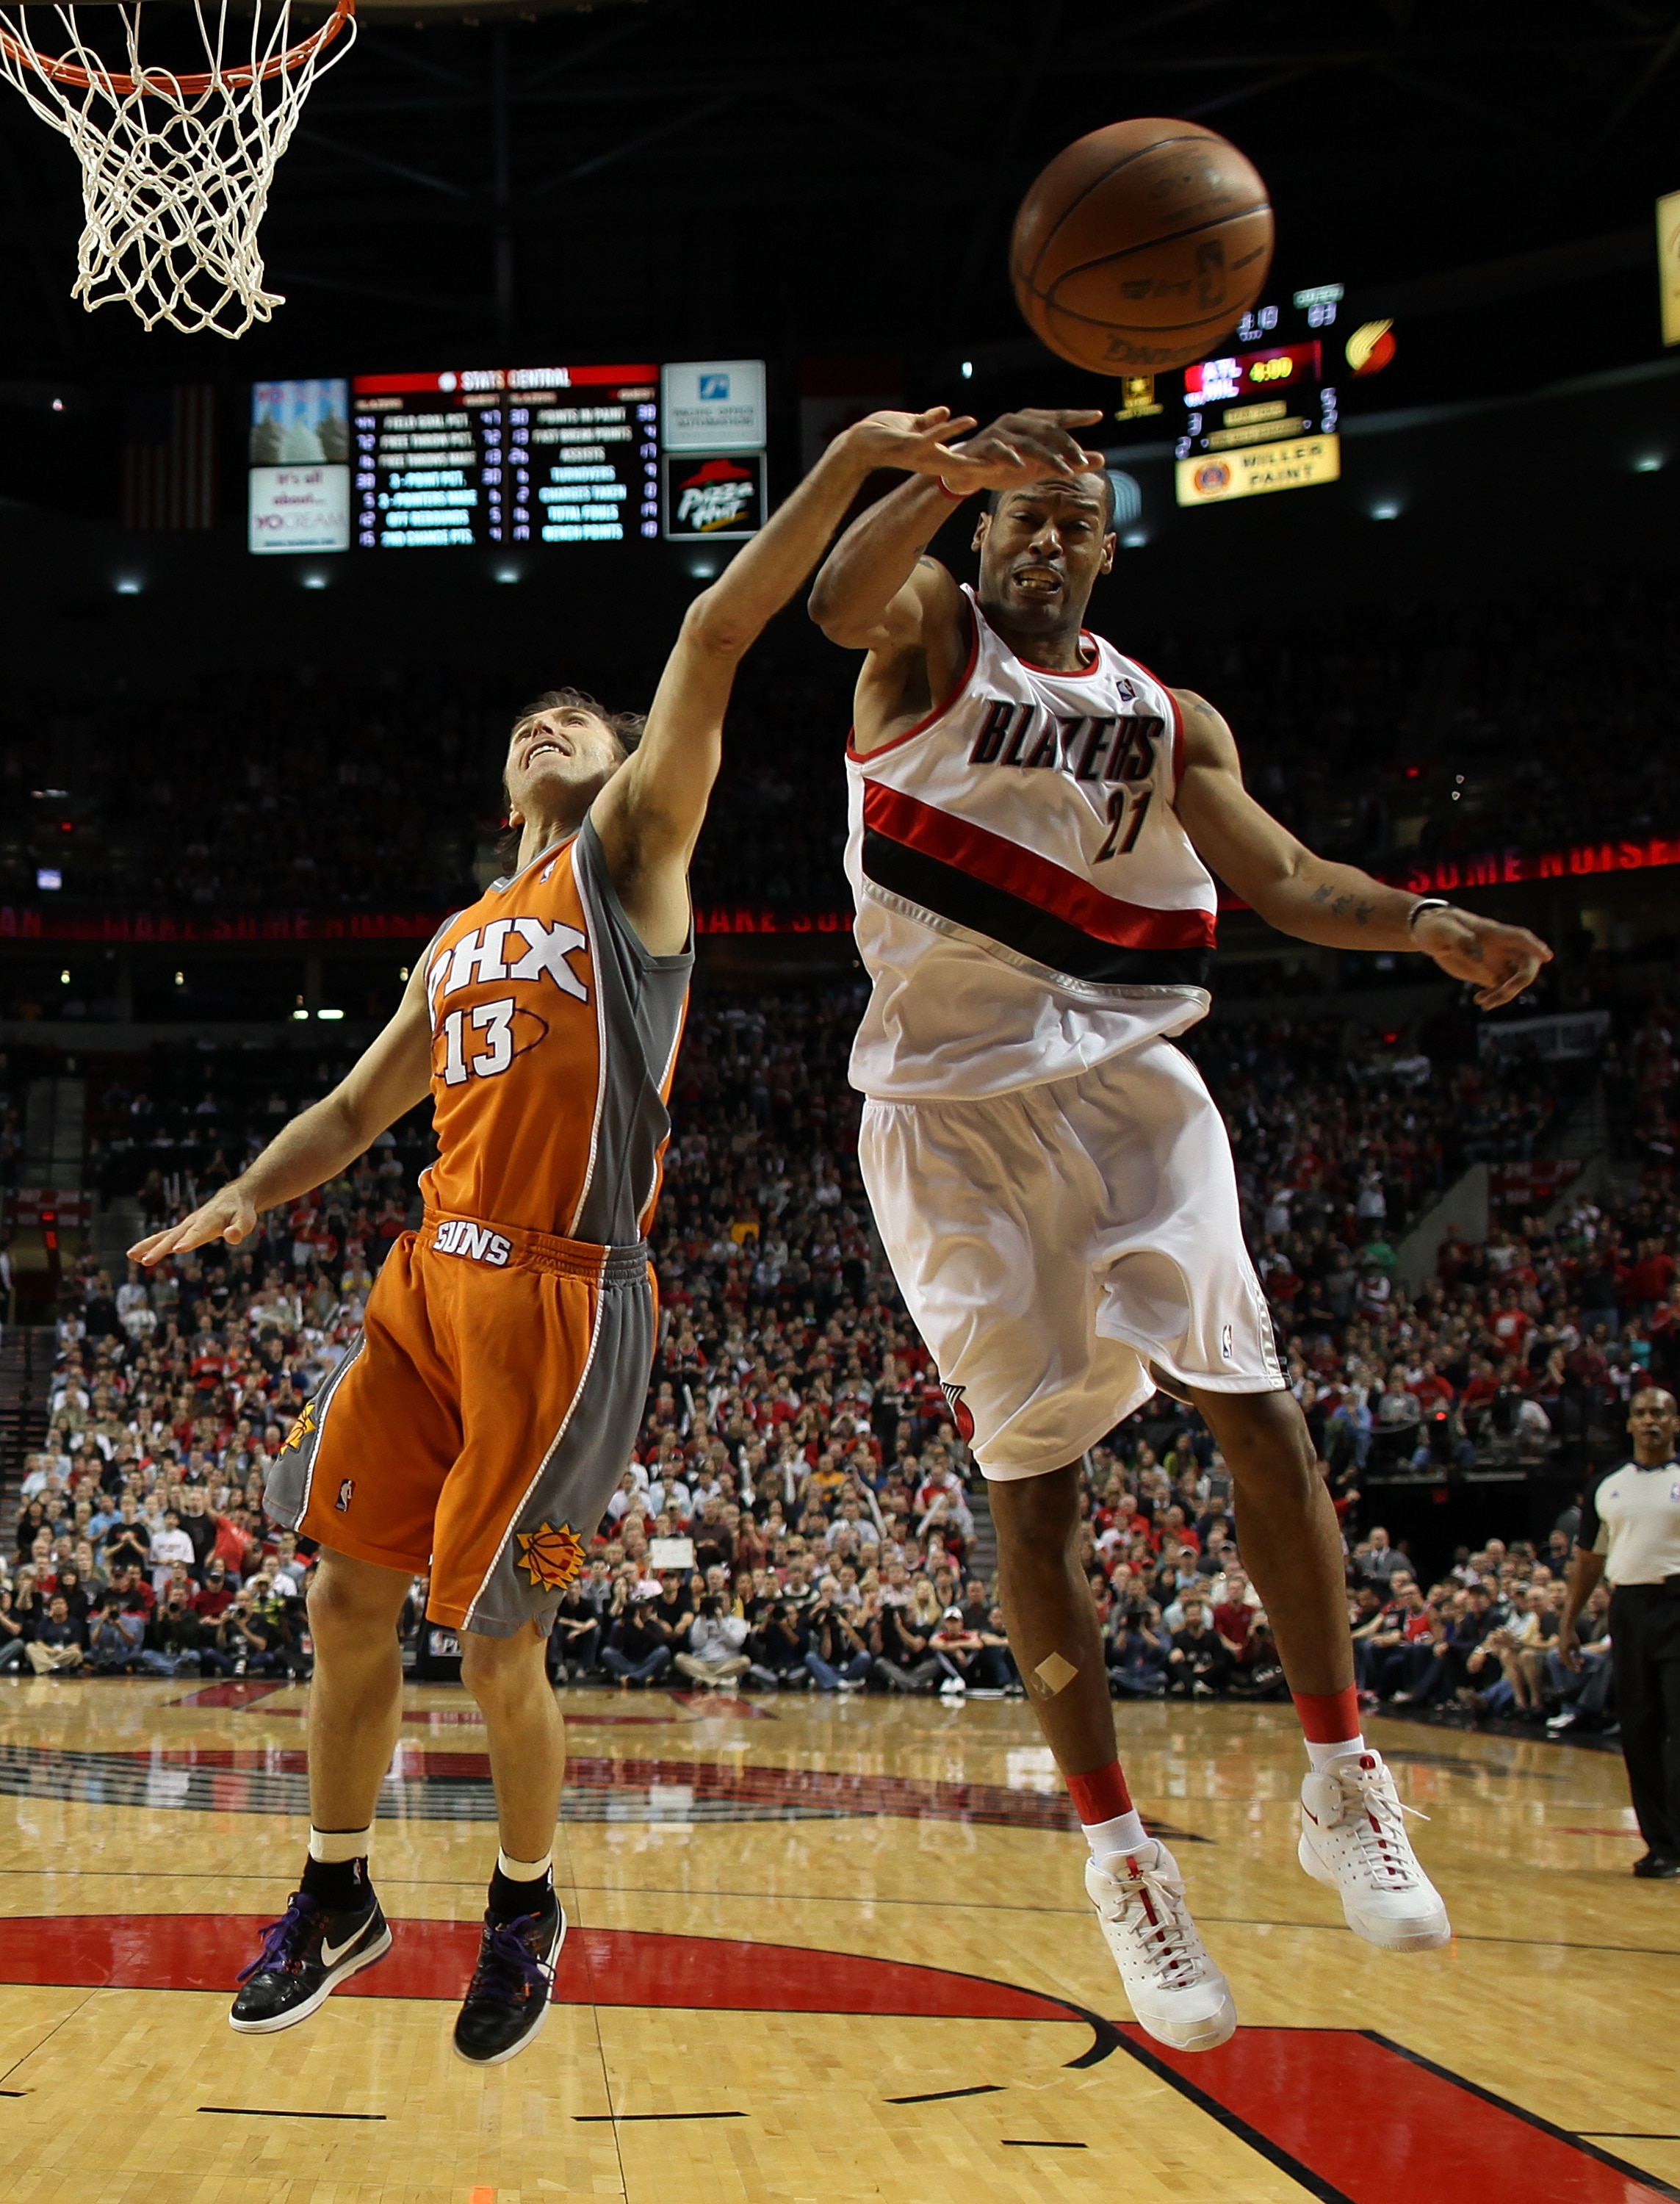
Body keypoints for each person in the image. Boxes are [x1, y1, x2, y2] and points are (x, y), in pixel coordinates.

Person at [129, 403, 983, 2066]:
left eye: (576, 712)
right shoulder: (457, 935)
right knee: (343, 1599)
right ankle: (338, 1886)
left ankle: (523, 1902)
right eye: (530, 714)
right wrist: (243, 1189)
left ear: (618, 760)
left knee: (496, 1631)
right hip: (427, 1282)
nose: (548, 717)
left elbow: (713, 628)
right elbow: (356, 1110)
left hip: (566, 1301)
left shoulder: (634, 856)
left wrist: (861, 466)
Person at [810, 403, 1552, 2050]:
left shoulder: (1164, 713)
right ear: (987, 537)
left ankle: (1342, 1772)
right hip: (944, 1127)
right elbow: (838, 604)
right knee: (1036, 1489)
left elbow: (1280, 874)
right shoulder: (927, 640)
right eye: (1020, 517)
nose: (1043, 538)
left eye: (1071, 518)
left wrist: (1426, 921)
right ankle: (1121, 1861)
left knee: (1255, 1405)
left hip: (1132, 1083)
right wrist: (940, 474)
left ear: (1107, 547)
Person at [1557, 1386, 1680, 1877]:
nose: (1650, 1420)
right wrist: (1568, 1621)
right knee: (1640, 1727)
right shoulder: (1605, 1486)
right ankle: (1661, 1845)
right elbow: (1589, 1560)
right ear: (1629, 1424)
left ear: (1675, 1423)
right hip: (1628, 1609)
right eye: (1641, 1413)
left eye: (1660, 1413)